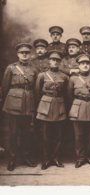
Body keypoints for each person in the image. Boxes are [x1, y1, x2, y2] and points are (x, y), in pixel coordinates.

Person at [2, 43, 37, 171]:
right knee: (13, 133)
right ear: (18, 54)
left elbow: (35, 88)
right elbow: (5, 88)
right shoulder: (11, 68)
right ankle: (12, 158)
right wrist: (8, 103)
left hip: (28, 103)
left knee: (27, 133)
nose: (24, 55)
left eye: (27, 53)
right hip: (13, 103)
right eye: (22, 53)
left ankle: (26, 157)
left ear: (30, 54)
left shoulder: (34, 69)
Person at [35, 50, 69, 170]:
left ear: (60, 62)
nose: (55, 62)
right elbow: (37, 93)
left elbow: (66, 93)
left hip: (59, 105)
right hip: (45, 106)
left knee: (58, 135)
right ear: (49, 61)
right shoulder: (42, 75)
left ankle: (56, 158)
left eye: (57, 60)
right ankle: (46, 159)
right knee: (45, 135)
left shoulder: (64, 76)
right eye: (53, 60)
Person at [68, 54, 90, 168]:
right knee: (78, 135)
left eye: (87, 63)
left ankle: (89, 156)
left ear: (89, 65)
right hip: (78, 107)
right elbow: (69, 95)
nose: (85, 65)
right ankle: (80, 158)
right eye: (82, 64)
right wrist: (76, 105)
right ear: (79, 65)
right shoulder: (73, 79)